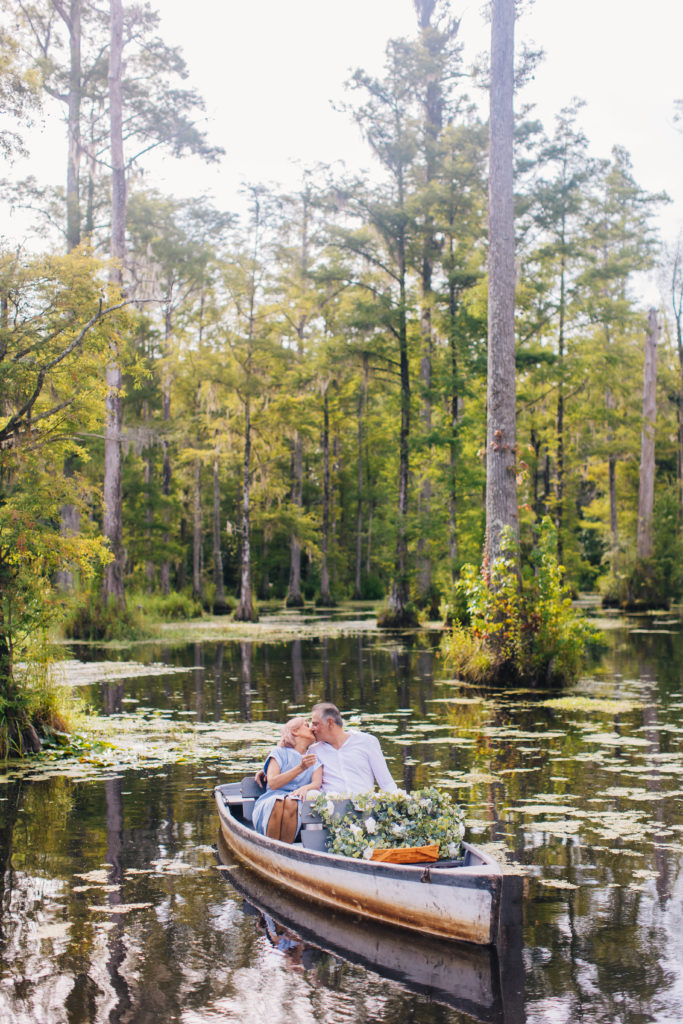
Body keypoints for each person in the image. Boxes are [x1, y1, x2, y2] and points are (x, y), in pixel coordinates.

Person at [251, 716, 322, 842]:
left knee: (291, 802)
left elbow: (317, 783)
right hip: (272, 800)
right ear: (295, 731)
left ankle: (284, 851)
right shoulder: (279, 753)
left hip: (295, 800)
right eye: (306, 725)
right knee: (279, 802)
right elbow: (272, 783)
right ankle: (271, 848)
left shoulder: (314, 758)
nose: (311, 728)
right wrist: (301, 767)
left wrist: (306, 788)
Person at [308, 702, 398, 795]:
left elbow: (386, 783)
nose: (311, 728)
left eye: (315, 724)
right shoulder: (314, 751)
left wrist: (397, 804)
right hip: (331, 806)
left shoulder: (367, 742)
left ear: (330, 723)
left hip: (365, 806)